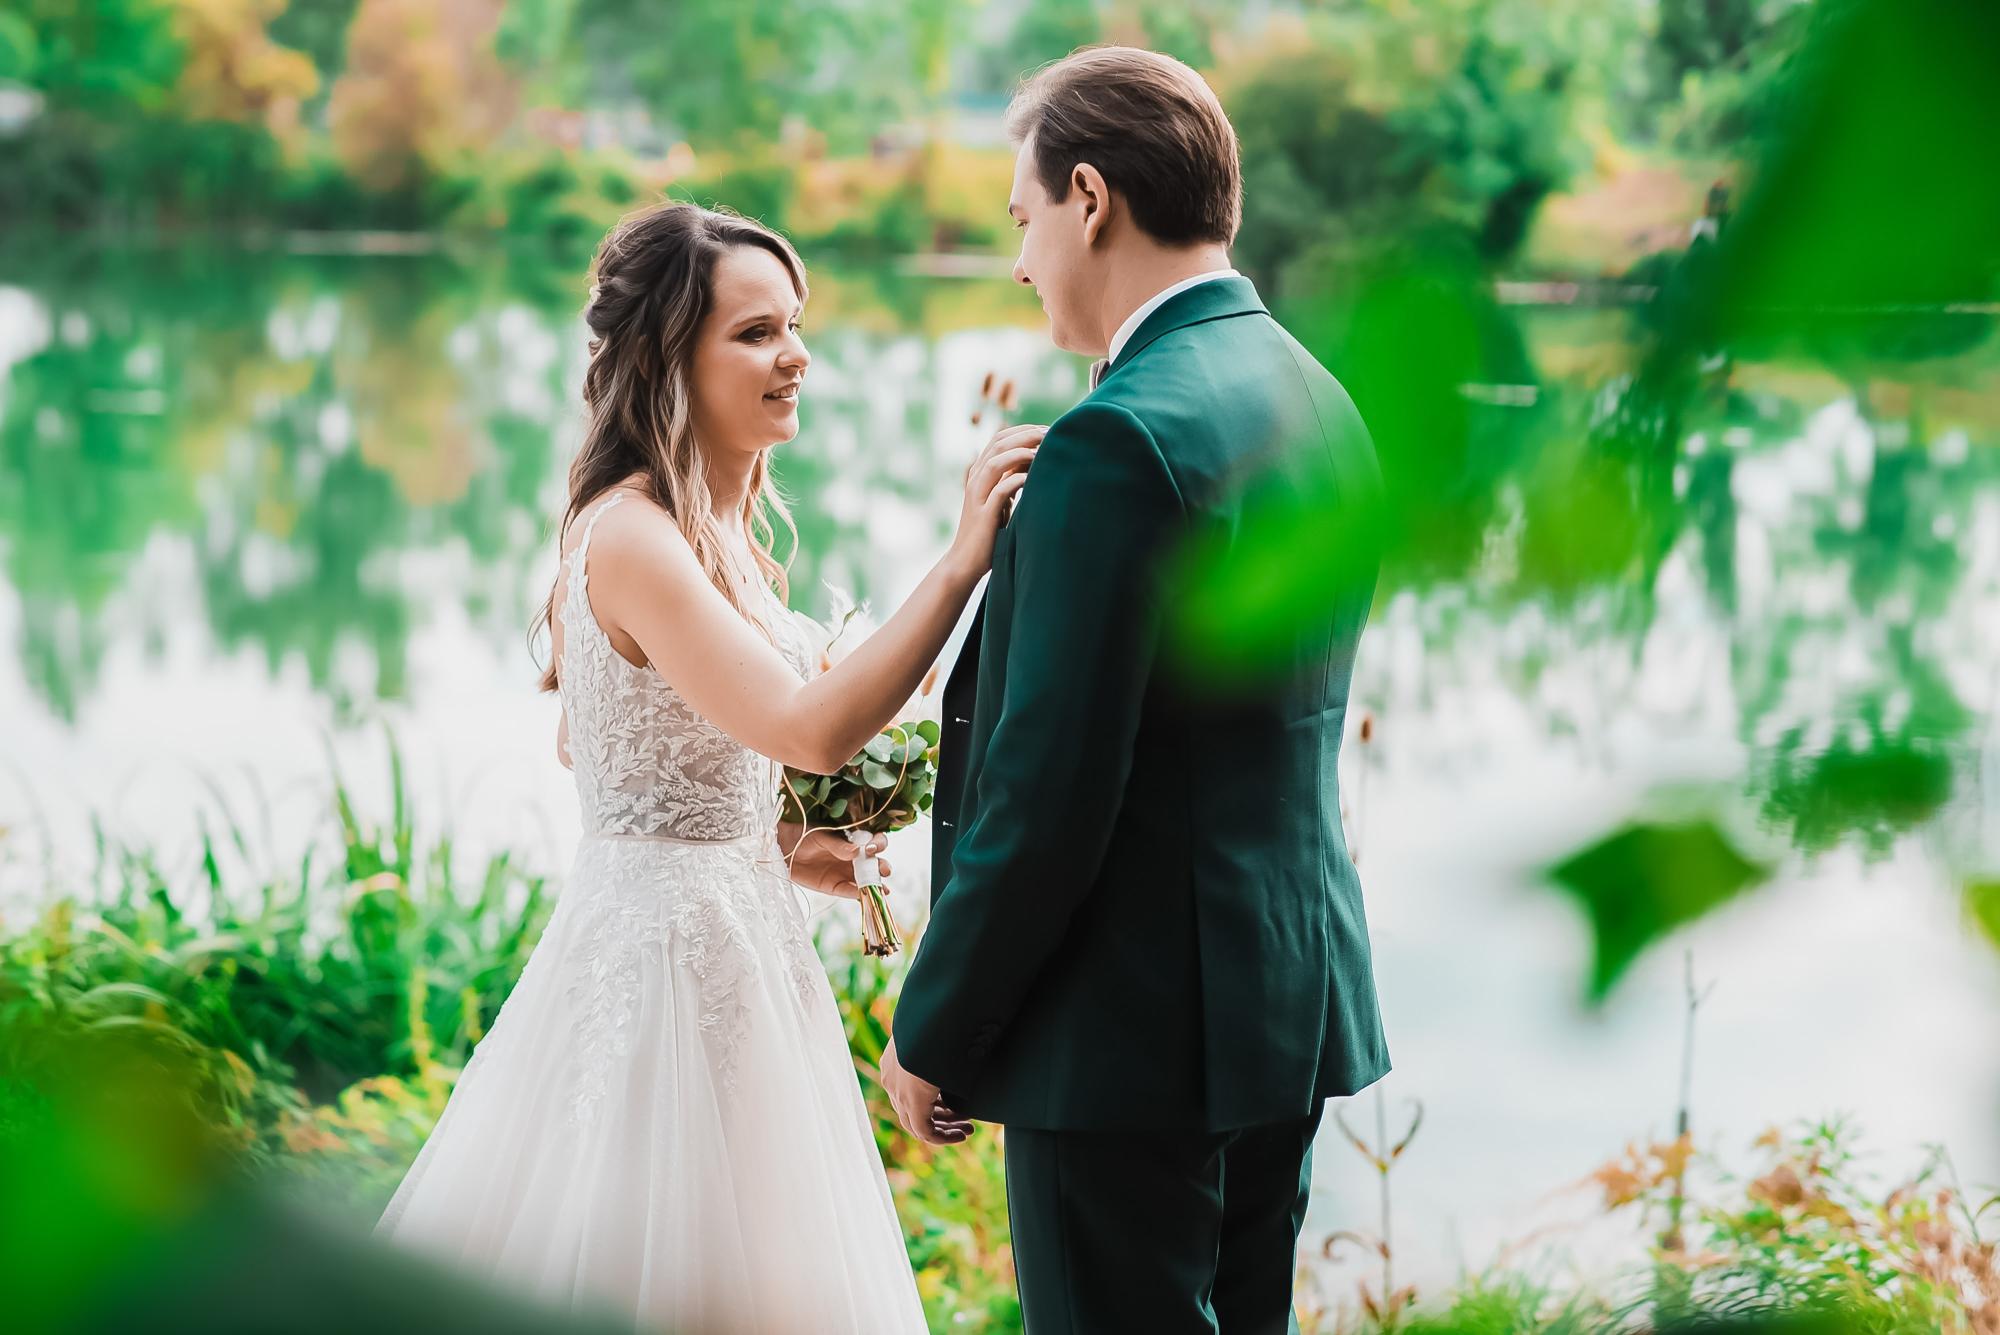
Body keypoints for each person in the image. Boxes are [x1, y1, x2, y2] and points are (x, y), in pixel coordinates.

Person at [374, 201, 1041, 1333]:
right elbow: (807, 732)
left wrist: (773, 845)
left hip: (738, 945)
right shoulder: (634, 533)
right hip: (661, 976)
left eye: (795, 325)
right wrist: (959, 563)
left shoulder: (716, 533)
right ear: (665, 358)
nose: (796, 356)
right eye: (755, 333)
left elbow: (600, 749)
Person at [883, 46, 1393, 1333]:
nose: (1019, 260)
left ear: (1089, 199)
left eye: (1022, 218)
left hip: (1120, 1043)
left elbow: (1049, 793)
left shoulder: (1114, 440)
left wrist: (934, 1025)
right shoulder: (1317, 401)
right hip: (1282, 1005)